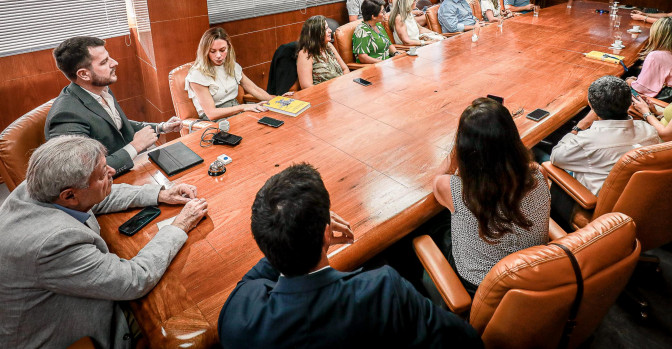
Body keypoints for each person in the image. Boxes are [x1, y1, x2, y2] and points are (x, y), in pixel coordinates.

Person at [217, 163, 481, 349]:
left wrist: (285, 236)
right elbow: (466, 341)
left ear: (263, 243)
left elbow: (248, 282)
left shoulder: (238, 318)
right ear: (327, 234)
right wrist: (309, 231)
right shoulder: (383, 290)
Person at [0, 135, 207, 349]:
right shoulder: (54, 243)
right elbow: (134, 279)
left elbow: (96, 197)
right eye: (102, 174)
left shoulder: (40, 186)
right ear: (69, 195)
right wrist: (180, 225)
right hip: (70, 336)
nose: (113, 171)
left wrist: (161, 194)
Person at [432, 98, 550, 293]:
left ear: (466, 148)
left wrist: (456, 150)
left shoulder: (455, 189)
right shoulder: (538, 174)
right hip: (533, 272)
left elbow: (438, 179)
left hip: (481, 286)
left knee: (434, 225)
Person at [46, 36, 182, 174]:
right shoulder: (65, 116)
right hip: (110, 182)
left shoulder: (101, 89)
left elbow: (116, 125)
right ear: (84, 74)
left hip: (133, 166)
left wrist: (161, 127)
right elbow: (83, 173)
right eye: (104, 62)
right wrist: (136, 146)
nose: (115, 63)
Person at [550, 76, 661, 197]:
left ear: (591, 106)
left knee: (541, 155)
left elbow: (555, 157)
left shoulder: (586, 141)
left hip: (594, 200)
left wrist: (580, 126)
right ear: (630, 103)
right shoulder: (649, 130)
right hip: (638, 196)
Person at [186, 27, 274, 120]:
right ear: (205, 51)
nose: (218, 55)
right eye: (213, 51)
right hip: (216, 119)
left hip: (236, 111)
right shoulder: (197, 74)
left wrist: (277, 101)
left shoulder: (232, 65)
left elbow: (254, 89)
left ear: (228, 48)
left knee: (269, 120)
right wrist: (243, 107)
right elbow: (211, 114)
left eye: (222, 50)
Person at [626, 16, 672, 102]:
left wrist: (630, 81)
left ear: (656, 35)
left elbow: (642, 88)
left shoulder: (655, 56)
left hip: (666, 100)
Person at [297, 15, 349, 88]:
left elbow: (345, 69)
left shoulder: (329, 46)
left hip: (341, 87)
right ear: (316, 33)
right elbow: (306, 86)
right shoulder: (305, 54)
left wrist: (344, 84)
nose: (330, 30)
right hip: (323, 92)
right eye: (326, 29)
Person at [353, 0, 401, 64]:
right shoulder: (362, 31)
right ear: (373, 16)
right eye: (382, 12)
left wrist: (396, 53)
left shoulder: (378, 25)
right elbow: (363, 58)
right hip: (375, 66)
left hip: (388, 62)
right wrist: (383, 63)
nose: (385, 13)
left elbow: (389, 44)